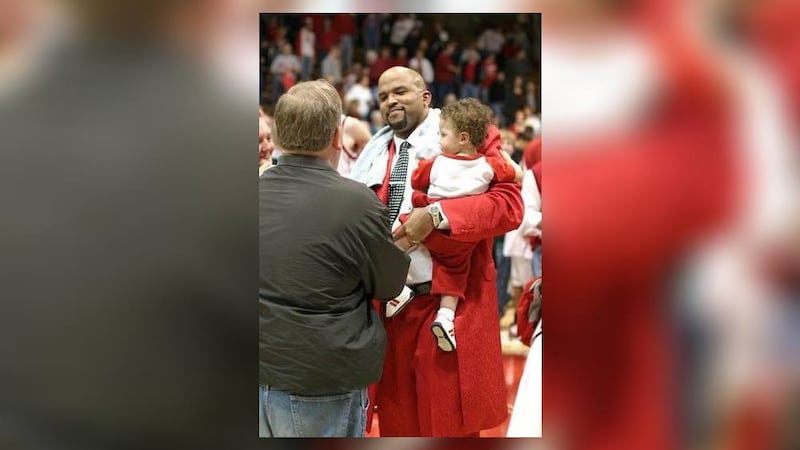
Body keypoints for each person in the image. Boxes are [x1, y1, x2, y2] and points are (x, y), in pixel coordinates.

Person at [350, 66, 523, 437]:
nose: (390, 101)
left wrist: (437, 215)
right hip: (389, 310)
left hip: (447, 303)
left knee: (448, 427)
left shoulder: (465, 131)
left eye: (400, 92)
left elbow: (510, 206)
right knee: (398, 426)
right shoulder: (374, 150)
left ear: (425, 96)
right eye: (383, 96)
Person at [259, 80, 410, 437]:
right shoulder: (357, 202)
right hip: (321, 377)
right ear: (336, 137)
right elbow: (389, 284)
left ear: (277, 136)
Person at [390, 98, 521, 353]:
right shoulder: (487, 165)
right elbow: (511, 173)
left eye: (442, 134)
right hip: (458, 240)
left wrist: (430, 207)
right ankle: (445, 317)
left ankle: (396, 288)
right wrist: (517, 171)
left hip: (436, 225)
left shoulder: (438, 161)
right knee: (453, 275)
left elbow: (417, 179)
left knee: (401, 239)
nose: (439, 139)